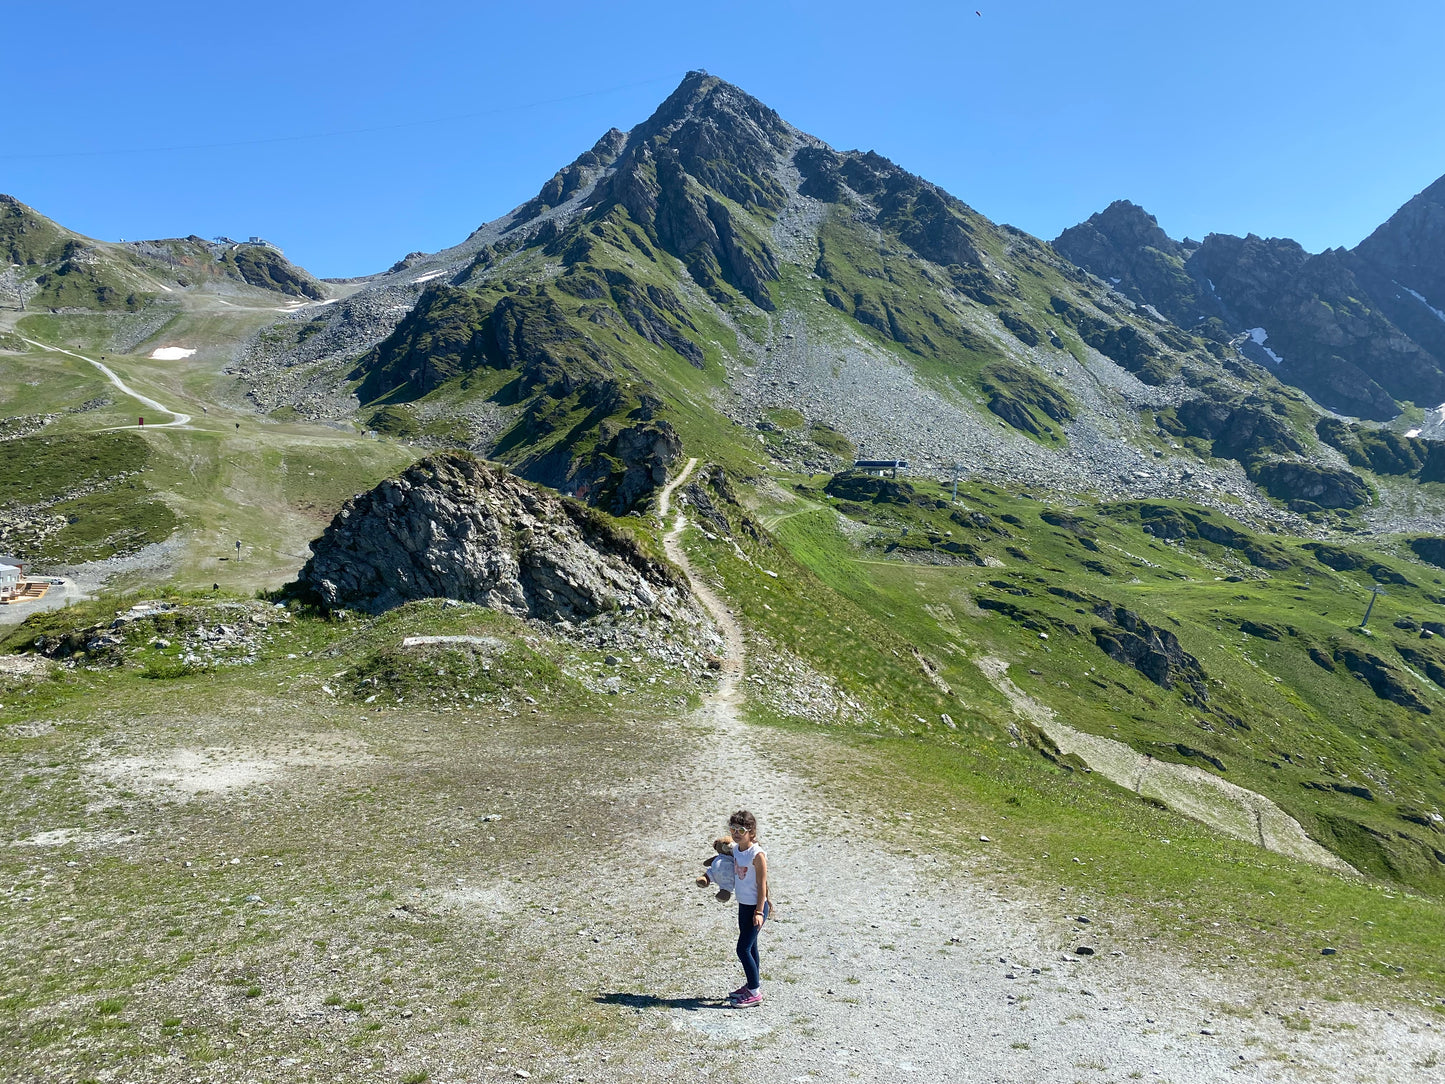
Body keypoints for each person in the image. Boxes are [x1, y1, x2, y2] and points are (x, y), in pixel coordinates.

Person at [725, 809, 770, 1007]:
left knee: (742, 949)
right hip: (743, 905)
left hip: (756, 908)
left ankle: (755, 992)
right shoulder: (736, 849)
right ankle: (753, 984)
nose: (736, 833)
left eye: (740, 829)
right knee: (751, 947)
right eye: (733, 829)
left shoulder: (757, 854)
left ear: (751, 832)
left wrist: (759, 912)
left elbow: (762, 885)